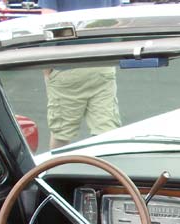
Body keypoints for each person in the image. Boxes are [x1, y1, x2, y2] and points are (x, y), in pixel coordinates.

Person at [39, 0, 123, 149]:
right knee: (106, 132)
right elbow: (118, 19)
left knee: (61, 135)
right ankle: (106, 170)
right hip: (102, 63)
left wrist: (46, 68)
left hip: (66, 64)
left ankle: (56, 170)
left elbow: (49, 22)